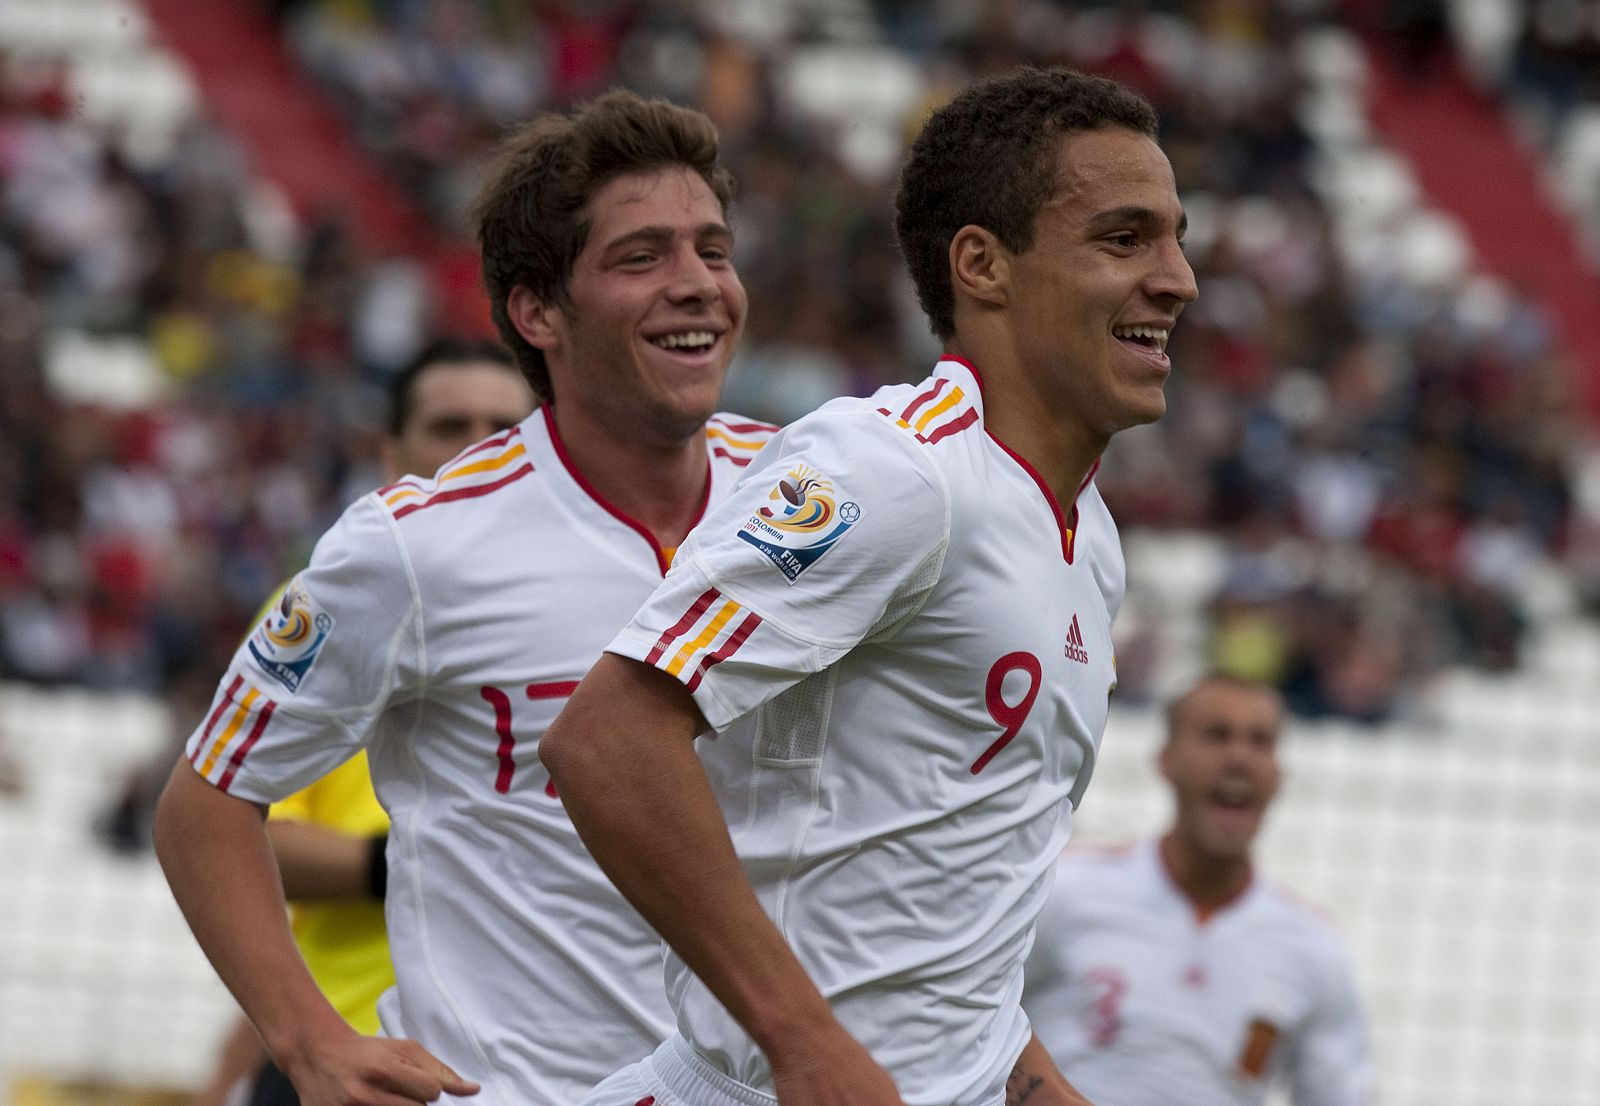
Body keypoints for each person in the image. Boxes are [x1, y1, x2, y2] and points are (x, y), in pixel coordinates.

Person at [540, 66, 1197, 1106]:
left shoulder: (1091, 541)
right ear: (982, 265)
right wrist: (803, 1040)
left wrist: (1028, 1082)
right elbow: (606, 738)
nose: (1177, 278)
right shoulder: (894, 469)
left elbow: (948, 891)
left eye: (1174, 236)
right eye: (1124, 239)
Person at [153, 90, 777, 1106]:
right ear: (537, 311)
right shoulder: (416, 544)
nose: (698, 285)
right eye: (640, 257)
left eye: (713, 249)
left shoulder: (814, 500)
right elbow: (205, 801)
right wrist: (307, 1040)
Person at [192, 337, 535, 1106]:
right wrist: (411, 862)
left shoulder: (620, 610)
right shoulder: (326, 611)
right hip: (352, 1051)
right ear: (391, 453)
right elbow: (229, 827)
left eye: (503, 427)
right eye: (450, 428)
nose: (478, 449)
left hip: (547, 1057)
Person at [1022, 676, 1375, 1106]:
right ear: (1166, 759)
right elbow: (969, 1013)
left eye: (1260, 741)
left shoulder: (1316, 950)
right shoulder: (1065, 888)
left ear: (1278, 774)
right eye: (1216, 735)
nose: (1239, 758)